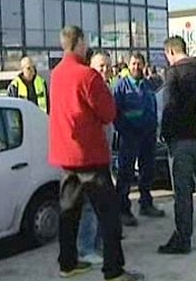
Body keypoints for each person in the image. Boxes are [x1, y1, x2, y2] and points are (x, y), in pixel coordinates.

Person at [49, 25, 143, 281]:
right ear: (79, 42)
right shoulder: (88, 76)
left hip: (65, 157)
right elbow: (108, 113)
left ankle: (67, 263)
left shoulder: (55, 74)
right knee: (109, 215)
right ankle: (113, 270)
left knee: (68, 213)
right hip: (89, 155)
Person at [157, 36, 196, 255]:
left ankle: (183, 238)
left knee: (182, 192)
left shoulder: (173, 73)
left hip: (181, 141)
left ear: (170, 52)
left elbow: (169, 107)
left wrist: (165, 135)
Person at [114, 52, 165, 227]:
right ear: (128, 66)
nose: (136, 67)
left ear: (144, 65)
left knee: (147, 171)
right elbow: (115, 112)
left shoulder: (148, 85)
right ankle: (122, 210)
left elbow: (153, 106)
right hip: (129, 137)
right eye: (133, 64)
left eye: (139, 64)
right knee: (126, 173)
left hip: (148, 135)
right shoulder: (121, 86)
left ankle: (146, 203)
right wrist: (125, 128)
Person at [77, 50, 114, 266]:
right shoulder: (88, 90)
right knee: (89, 204)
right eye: (100, 65)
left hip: (104, 156)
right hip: (90, 158)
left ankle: (98, 243)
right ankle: (86, 248)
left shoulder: (106, 88)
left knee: (102, 203)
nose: (105, 69)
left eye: (107, 66)